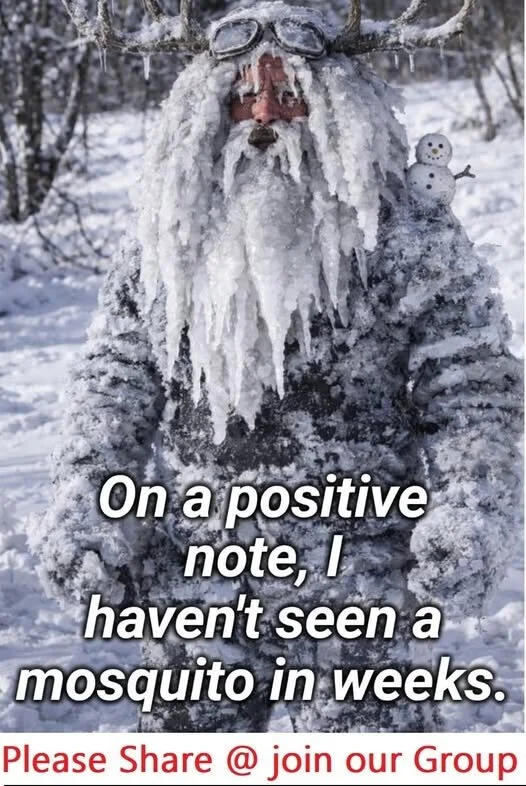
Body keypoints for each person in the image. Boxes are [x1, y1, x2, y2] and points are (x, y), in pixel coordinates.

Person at [31, 1, 522, 732]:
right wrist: (88, 501)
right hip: (196, 575)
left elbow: (471, 387)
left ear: (339, 113)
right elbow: (115, 380)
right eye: (243, 97)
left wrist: (471, 506)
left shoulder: (409, 236)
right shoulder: (165, 243)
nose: (264, 115)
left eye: (289, 94)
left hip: (360, 576)